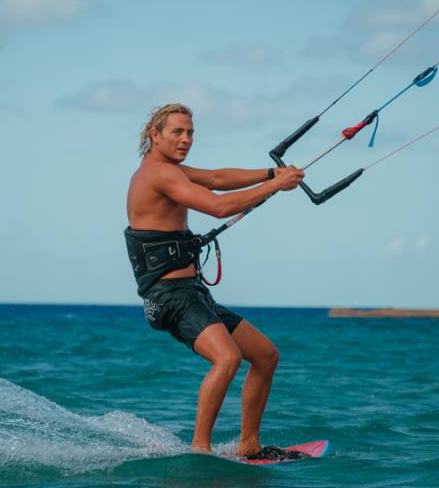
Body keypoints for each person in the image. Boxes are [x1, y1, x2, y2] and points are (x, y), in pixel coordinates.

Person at [124, 103, 305, 460]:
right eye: (177, 132)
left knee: (265, 356)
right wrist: (276, 186)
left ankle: (249, 445)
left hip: (192, 293)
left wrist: (271, 173)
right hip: (169, 296)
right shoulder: (158, 174)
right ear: (154, 134)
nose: (186, 139)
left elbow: (218, 179)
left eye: (190, 132)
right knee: (227, 359)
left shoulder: (172, 171)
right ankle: (200, 450)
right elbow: (219, 206)